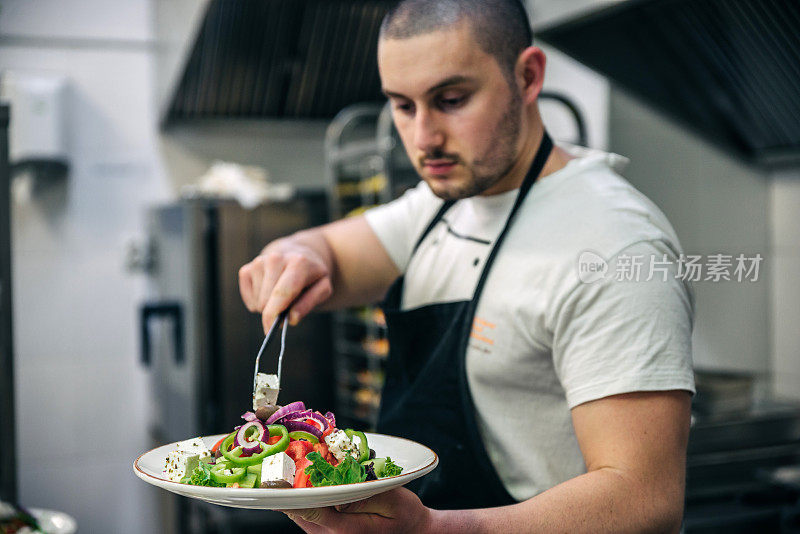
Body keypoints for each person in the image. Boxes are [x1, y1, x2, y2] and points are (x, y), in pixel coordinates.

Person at [238, 0, 695, 531]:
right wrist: (296, 254)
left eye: (451, 100)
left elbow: (645, 500)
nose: (424, 138)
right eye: (403, 107)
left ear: (527, 76)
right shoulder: (442, 203)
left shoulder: (614, 244)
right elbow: (331, 253)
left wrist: (432, 530)